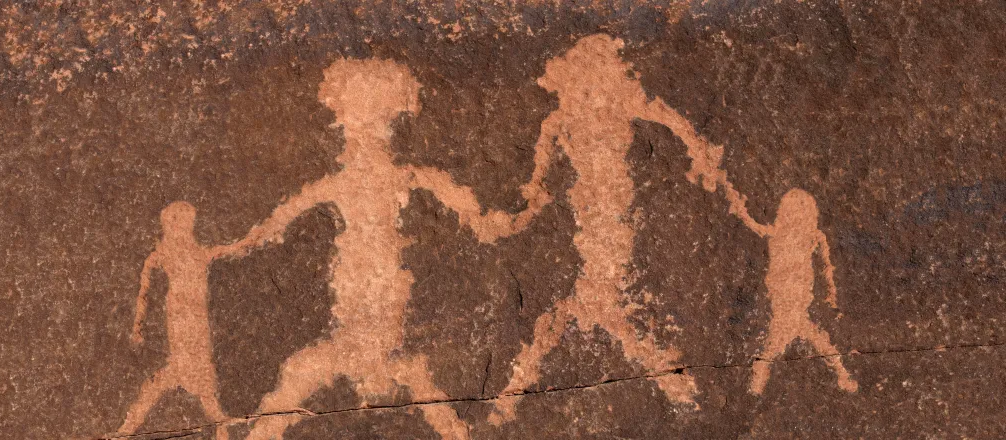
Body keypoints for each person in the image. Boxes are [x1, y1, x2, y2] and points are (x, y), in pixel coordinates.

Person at [243, 57, 548, 440]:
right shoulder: (390, 178)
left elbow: (279, 218)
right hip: (372, 294)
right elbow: (478, 217)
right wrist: (509, 218)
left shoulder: (371, 180)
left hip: (373, 296)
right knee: (377, 370)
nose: (366, 133)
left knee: (315, 371)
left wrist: (249, 241)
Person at [490, 34, 699, 424]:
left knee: (589, 299)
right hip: (601, 218)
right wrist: (702, 162)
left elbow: (537, 182)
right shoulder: (587, 110)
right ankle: (666, 378)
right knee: (596, 298)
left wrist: (701, 160)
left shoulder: (569, 114)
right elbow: (676, 124)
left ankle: (513, 390)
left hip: (603, 218)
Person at [119, 201, 265, 440]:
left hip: (195, 319)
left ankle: (128, 429)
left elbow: (229, 250)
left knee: (191, 375)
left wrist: (251, 240)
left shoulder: (196, 254)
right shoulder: (168, 255)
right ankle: (128, 429)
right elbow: (144, 287)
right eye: (183, 223)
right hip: (180, 316)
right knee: (184, 373)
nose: (187, 227)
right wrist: (138, 325)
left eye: (188, 223)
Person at [722, 185, 859, 395]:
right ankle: (841, 374)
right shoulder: (800, 235)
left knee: (792, 342)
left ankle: (759, 382)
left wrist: (735, 202)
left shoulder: (806, 236)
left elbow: (827, 268)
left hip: (795, 300)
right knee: (804, 341)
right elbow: (827, 269)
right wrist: (734, 199)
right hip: (788, 301)